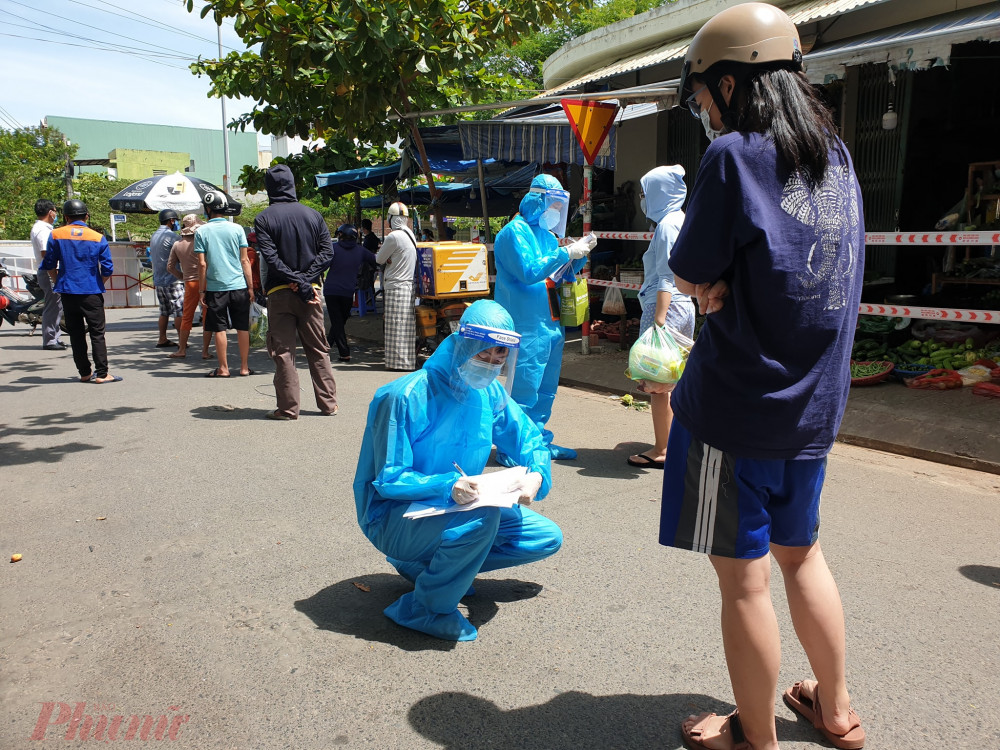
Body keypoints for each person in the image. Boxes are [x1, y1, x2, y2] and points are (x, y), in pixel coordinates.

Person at [659, 5, 866, 750]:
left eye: (698, 96)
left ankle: (755, 738)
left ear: (725, 80)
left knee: (744, 581)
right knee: (803, 556)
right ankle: (837, 712)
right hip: (812, 410)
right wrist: (720, 285)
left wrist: (709, 289)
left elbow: (689, 271)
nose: (702, 111)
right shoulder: (837, 159)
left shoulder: (735, 155)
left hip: (735, 414)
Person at [353, 300, 562, 641]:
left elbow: (526, 436)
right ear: (464, 343)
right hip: (394, 515)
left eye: (500, 357)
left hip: (456, 504)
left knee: (544, 537)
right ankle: (425, 609)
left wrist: (536, 473)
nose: (492, 365)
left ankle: (432, 571)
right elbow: (390, 479)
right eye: (484, 355)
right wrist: (448, 486)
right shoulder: (405, 396)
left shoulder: (488, 392)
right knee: (482, 521)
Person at [492, 173, 594, 463]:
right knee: (523, 387)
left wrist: (578, 255)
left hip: (550, 320)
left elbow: (559, 274)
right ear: (537, 200)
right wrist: (564, 253)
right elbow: (529, 272)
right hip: (525, 323)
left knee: (546, 388)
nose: (556, 212)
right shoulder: (514, 232)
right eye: (554, 204)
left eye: (561, 207)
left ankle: (537, 441)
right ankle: (513, 446)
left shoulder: (546, 236)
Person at [253, 164, 338, 419]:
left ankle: (289, 409)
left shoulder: (264, 218)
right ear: (292, 185)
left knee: (284, 352)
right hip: (311, 293)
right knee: (318, 349)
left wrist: (295, 280)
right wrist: (305, 281)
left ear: (269, 188)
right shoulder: (313, 216)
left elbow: (271, 258)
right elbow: (327, 253)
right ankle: (329, 404)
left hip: (280, 293)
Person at [627, 165, 695, 470]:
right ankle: (678, 445)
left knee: (658, 385)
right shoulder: (682, 219)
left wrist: (658, 322)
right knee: (675, 380)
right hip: (683, 305)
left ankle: (663, 449)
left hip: (667, 307)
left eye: (645, 193)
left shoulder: (667, 225)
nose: (643, 199)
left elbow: (667, 277)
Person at [40, 199, 120, 383]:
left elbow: (49, 264)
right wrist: (99, 282)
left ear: (66, 217)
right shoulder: (97, 237)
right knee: (97, 333)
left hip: (67, 291)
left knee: (76, 333)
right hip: (91, 292)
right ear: (86, 216)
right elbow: (107, 268)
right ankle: (102, 374)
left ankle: (84, 372)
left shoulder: (56, 234)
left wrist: (57, 281)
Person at [194, 192, 253, 378]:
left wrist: (201, 290)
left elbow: (202, 264)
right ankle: (244, 367)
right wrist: (250, 287)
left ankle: (224, 368)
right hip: (239, 285)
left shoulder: (201, 231)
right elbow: (245, 261)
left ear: (208, 209)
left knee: (219, 328)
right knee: (242, 326)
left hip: (215, 288)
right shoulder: (237, 229)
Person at [323, 223, 377, 363]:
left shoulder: (333, 248)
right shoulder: (361, 251)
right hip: (348, 292)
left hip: (331, 291)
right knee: (340, 320)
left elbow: (321, 264)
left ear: (342, 235)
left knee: (337, 321)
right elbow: (376, 260)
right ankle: (340, 351)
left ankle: (329, 348)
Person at [375, 201, 419, 371]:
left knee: (395, 326)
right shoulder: (410, 234)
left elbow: (379, 259)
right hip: (408, 285)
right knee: (405, 326)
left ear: (391, 218)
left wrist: (388, 259)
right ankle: (406, 361)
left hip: (395, 285)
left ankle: (398, 364)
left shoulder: (393, 237)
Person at [166, 214, 211, 359]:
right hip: (206, 281)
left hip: (189, 283)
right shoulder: (202, 243)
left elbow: (170, 267)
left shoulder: (177, 245)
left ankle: (182, 349)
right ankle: (205, 351)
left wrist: (182, 276)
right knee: (206, 316)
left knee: (187, 316)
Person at [30, 199, 64, 350]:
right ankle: (50, 340)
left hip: (48, 270)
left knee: (56, 306)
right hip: (48, 270)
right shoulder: (43, 230)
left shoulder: (43, 228)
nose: (56, 214)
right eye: (55, 211)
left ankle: (55, 337)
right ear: (50, 212)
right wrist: (54, 276)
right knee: (53, 306)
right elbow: (46, 253)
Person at [148, 209, 183, 349]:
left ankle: (162, 338)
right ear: (171, 221)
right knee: (179, 310)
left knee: (164, 311)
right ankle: (182, 341)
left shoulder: (154, 236)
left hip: (159, 279)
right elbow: (182, 254)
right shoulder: (171, 236)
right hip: (173, 279)